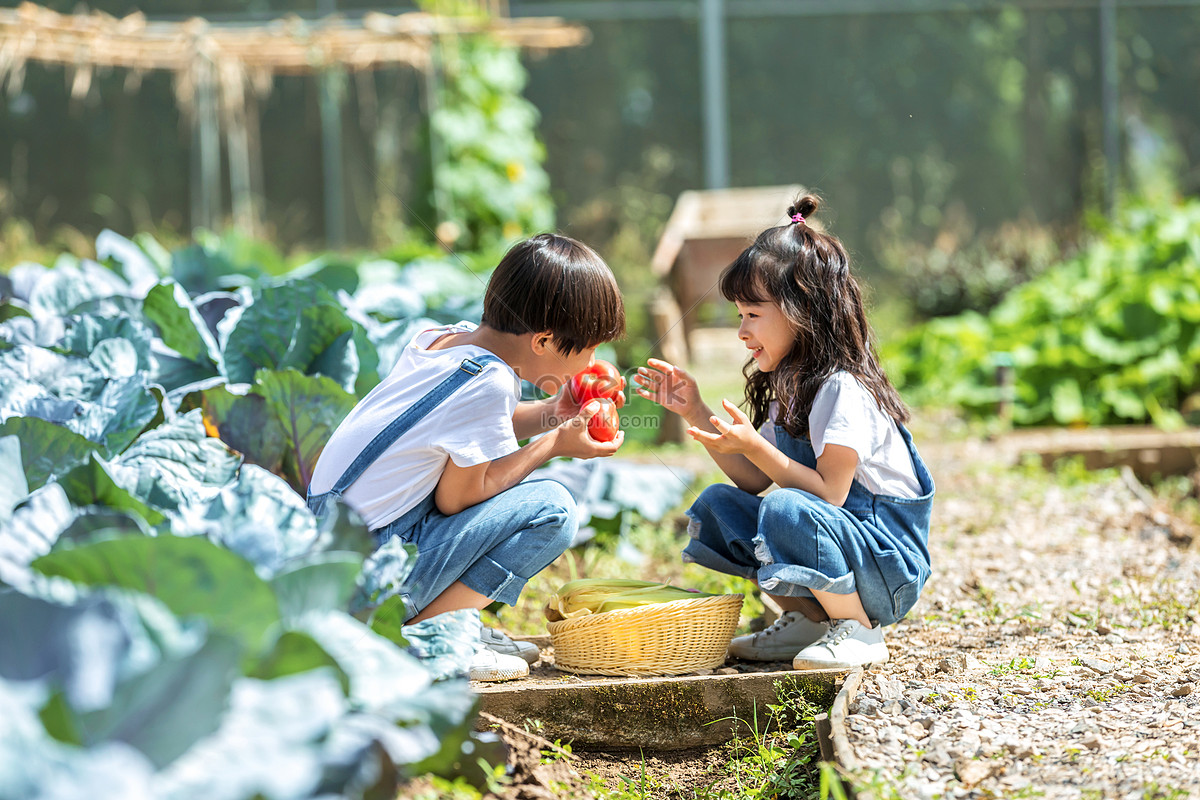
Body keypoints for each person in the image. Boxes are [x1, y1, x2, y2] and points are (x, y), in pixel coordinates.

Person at [308, 233, 626, 681]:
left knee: (541, 499)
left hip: (335, 551)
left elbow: (472, 431)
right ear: (544, 342)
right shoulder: (491, 384)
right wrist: (552, 446)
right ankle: (429, 637)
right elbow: (456, 500)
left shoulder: (445, 341)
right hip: (372, 570)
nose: (591, 361)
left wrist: (555, 414)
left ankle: (445, 620)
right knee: (553, 509)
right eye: (588, 348)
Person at [634, 194, 934, 671]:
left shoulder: (841, 389)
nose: (742, 331)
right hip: (849, 549)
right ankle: (809, 620)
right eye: (739, 316)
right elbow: (752, 480)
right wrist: (694, 409)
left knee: (786, 508)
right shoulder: (790, 386)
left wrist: (753, 443)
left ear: (804, 311)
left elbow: (830, 495)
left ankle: (858, 629)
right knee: (721, 506)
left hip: (886, 567)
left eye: (753, 314)